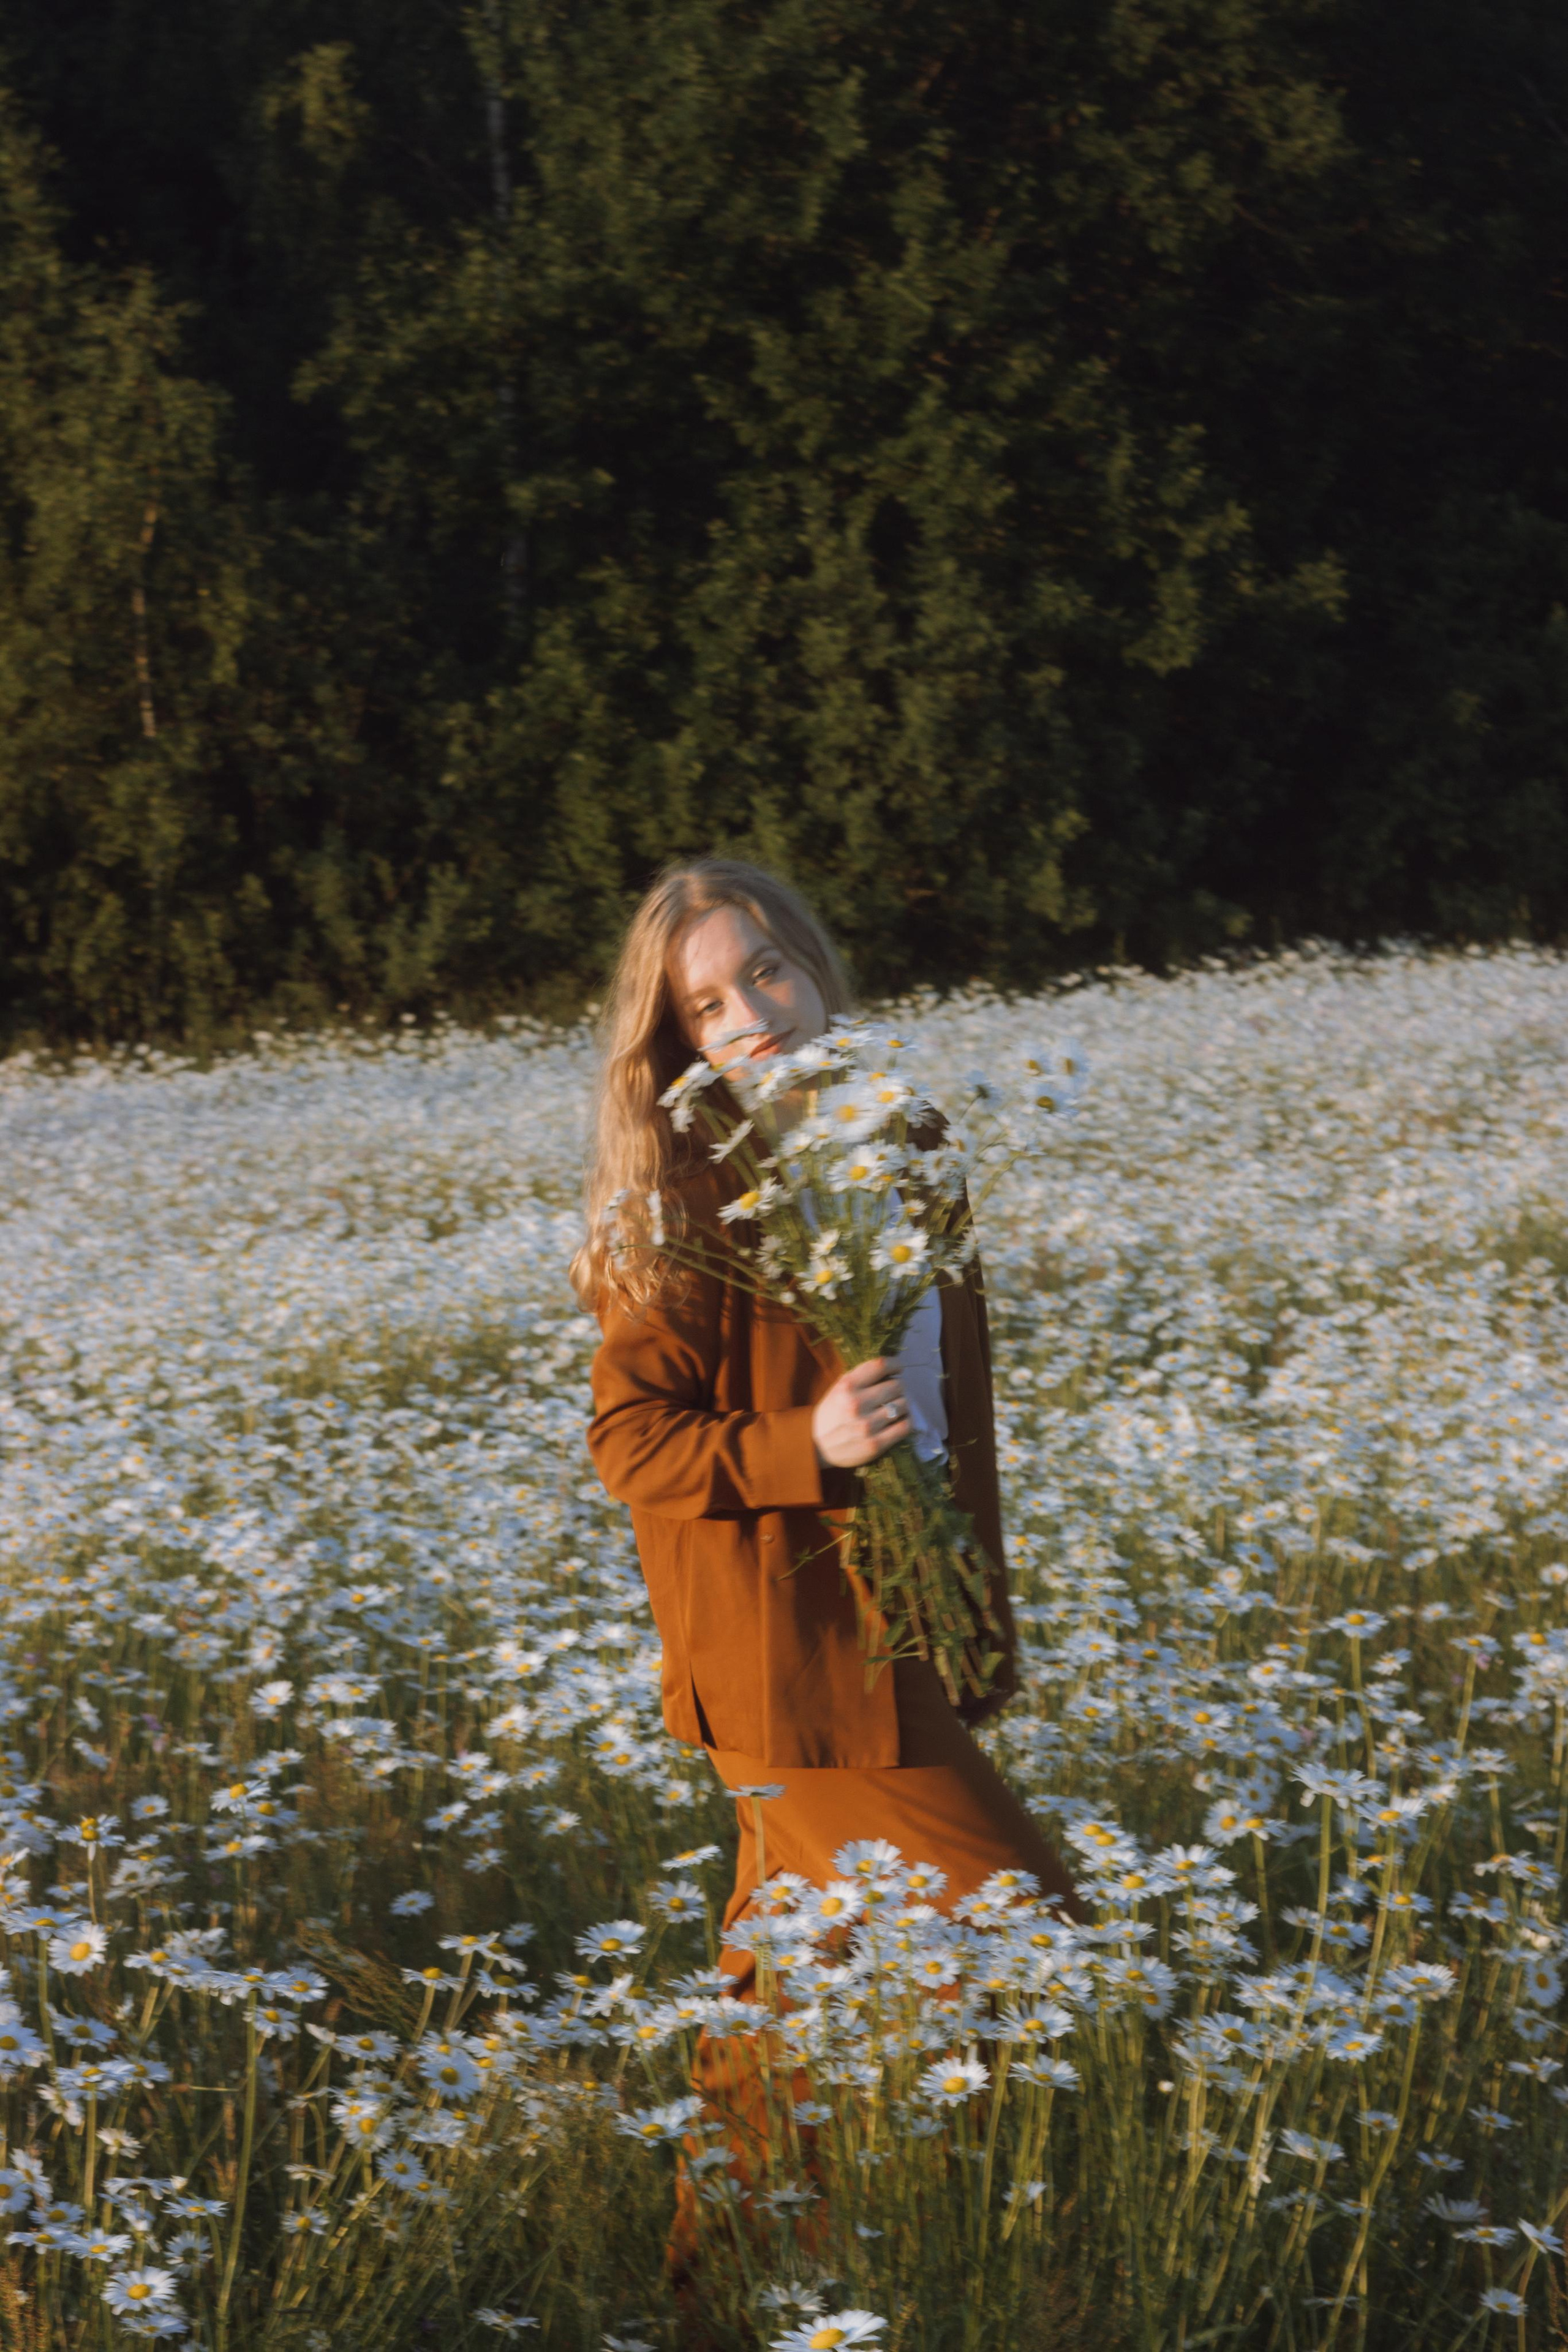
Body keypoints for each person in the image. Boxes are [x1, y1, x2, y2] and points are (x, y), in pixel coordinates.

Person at [572, 856, 1079, 2274]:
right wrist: (803, 1442)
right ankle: (1023, 2273)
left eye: (766, 973)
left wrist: (971, 1618)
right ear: (673, 1039)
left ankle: (714, 2302)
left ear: (813, 964)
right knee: (1034, 1949)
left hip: (903, 1639)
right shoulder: (683, 1194)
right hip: (793, 1678)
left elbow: (947, 1412)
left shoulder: (903, 1138)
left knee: (773, 2035)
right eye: (705, 1002)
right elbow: (630, 1444)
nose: (749, 1016)